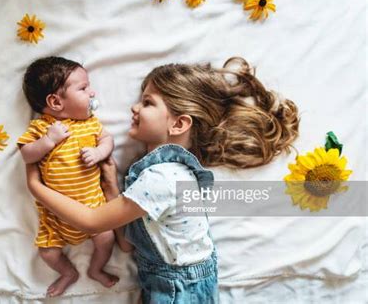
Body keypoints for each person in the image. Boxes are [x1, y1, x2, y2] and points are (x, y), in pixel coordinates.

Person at [26, 57, 300, 303]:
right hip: (165, 282)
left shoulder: (163, 179)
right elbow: (126, 244)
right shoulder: (149, 175)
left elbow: (90, 221)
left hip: (180, 288)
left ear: (178, 124)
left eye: (147, 103)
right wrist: (111, 186)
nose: (134, 107)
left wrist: (36, 187)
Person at [17, 56, 118, 297]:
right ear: (55, 102)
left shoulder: (90, 123)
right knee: (47, 252)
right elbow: (26, 155)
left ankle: (96, 269)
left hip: (94, 208)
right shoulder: (41, 128)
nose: (92, 93)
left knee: (106, 238)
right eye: (83, 88)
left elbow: (108, 139)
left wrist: (99, 152)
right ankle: (68, 273)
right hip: (56, 218)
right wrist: (48, 141)